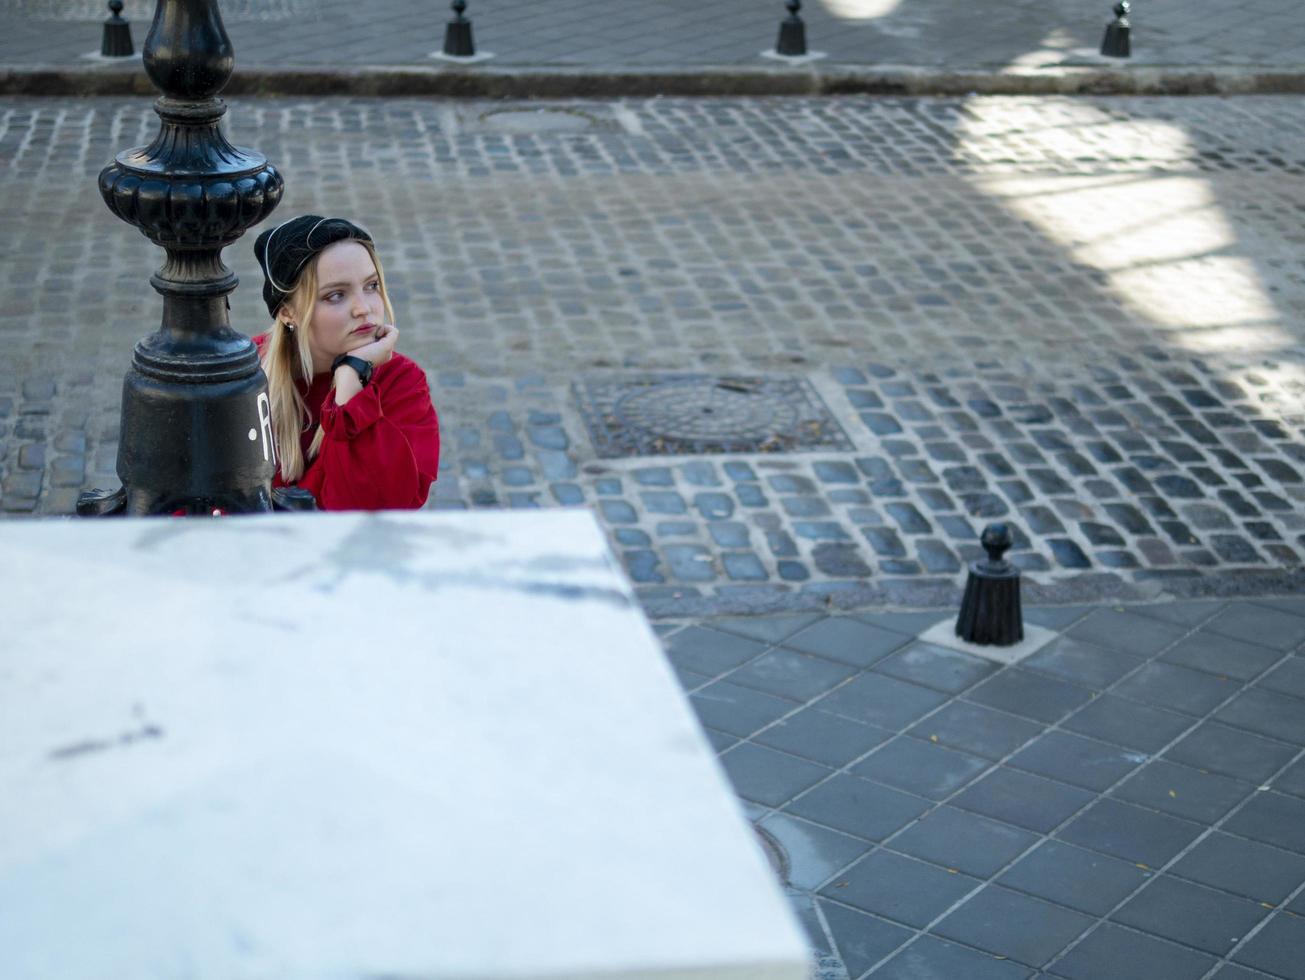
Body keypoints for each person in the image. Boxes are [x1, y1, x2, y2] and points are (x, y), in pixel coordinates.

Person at [252, 215, 439, 510]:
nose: (363, 309)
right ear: (288, 312)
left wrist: (352, 384)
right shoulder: (246, 376)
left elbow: (379, 507)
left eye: (372, 285)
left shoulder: (400, 382)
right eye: (336, 295)